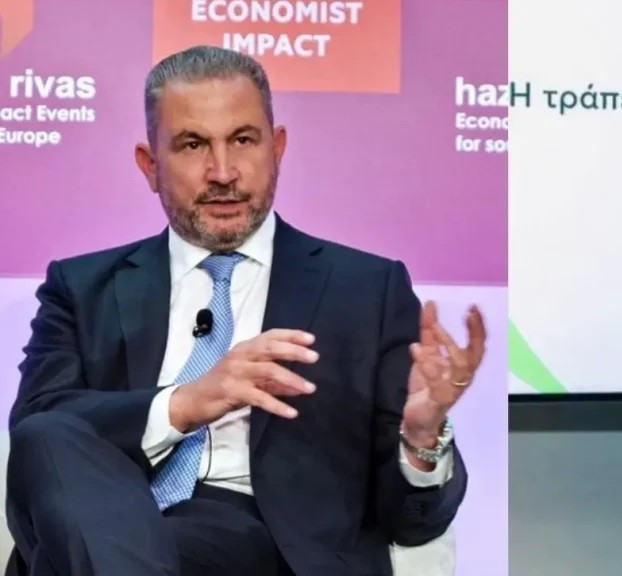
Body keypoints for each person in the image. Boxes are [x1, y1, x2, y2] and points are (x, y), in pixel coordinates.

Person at [4, 45, 485, 576]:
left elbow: (414, 523)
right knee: (47, 432)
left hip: (270, 547)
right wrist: (184, 404)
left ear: (277, 148)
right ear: (150, 165)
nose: (223, 172)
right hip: (105, 519)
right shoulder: (81, 286)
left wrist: (420, 438)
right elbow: (36, 441)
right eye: (192, 144)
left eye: (243, 140)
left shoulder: (367, 290)